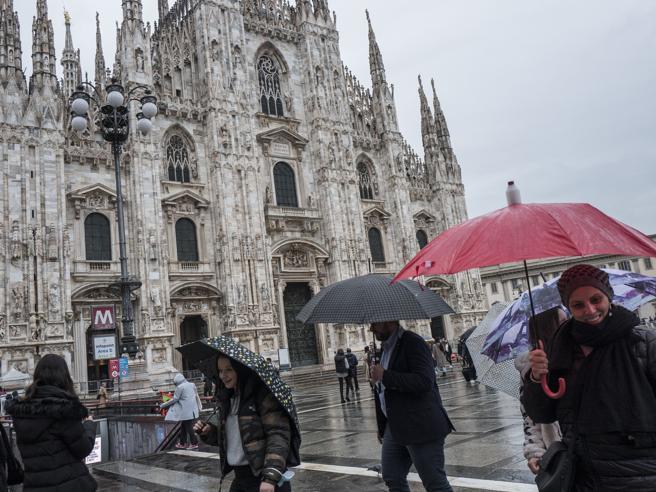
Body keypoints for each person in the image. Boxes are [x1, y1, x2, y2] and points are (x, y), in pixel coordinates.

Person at [523, 264, 656, 491]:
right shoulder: (558, 349)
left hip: (639, 471)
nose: (590, 310)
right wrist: (536, 378)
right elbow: (541, 412)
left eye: (596, 299)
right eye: (578, 305)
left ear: (609, 297)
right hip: (583, 473)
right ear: (568, 307)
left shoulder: (642, 341)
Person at [370, 320, 454, 492]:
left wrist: (385, 375)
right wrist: (382, 425)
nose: (371, 328)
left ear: (389, 321)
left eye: (375, 324)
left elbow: (424, 381)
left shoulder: (413, 342)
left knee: (434, 481)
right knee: (392, 475)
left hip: (420, 424)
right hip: (395, 424)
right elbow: (383, 390)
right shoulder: (385, 348)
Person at [194, 354, 298, 491]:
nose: (223, 375)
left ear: (240, 369)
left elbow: (278, 434)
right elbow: (238, 439)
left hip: (264, 479)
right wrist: (210, 432)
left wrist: (270, 476)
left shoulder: (262, 395)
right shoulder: (228, 399)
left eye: (229, 369)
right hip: (240, 478)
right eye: (220, 370)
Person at [6, 354, 97, 491]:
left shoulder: (22, 412)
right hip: (68, 486)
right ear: (64, 377)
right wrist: (89, 425)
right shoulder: (63, 410)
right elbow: (83, 449)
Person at [160, 373, 201, 449]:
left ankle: (194, 443)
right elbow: (196, 395)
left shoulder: (180, 387)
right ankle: (182, 443)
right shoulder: (192, 384)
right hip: (193, 409)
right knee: (184, 427)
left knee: (189, 428)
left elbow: (175, 399)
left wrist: (163, 405)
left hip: (185, 411)